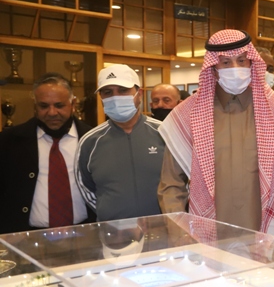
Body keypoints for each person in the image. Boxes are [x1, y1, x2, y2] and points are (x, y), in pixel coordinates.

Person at [157, 29, 274, 238]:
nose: (235, 69)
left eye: (241, 61)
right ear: (214, 68)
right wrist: (178, 227)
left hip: (266, 233)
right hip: (204, 236)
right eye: (226, 62)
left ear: (251, 63)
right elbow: (171, 183)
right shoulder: (187, 115)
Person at [0, 74, 94, 233]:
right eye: (44, 106)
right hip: (25, 236)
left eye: (59, 105)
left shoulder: (92, 139)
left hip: (86, 233)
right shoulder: (9, 141)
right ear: (35, 106)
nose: (52, 112)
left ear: (73, 104)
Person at [77, 64, 164, 221]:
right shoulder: (89, 142)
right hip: (113, 232)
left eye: (123, 90)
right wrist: (111, 216)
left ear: (139, 94)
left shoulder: (165, 133)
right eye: (107, 92)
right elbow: (86, 188)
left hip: (164, 229)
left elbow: (183, 181)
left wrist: (169, 215)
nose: (115, 97)